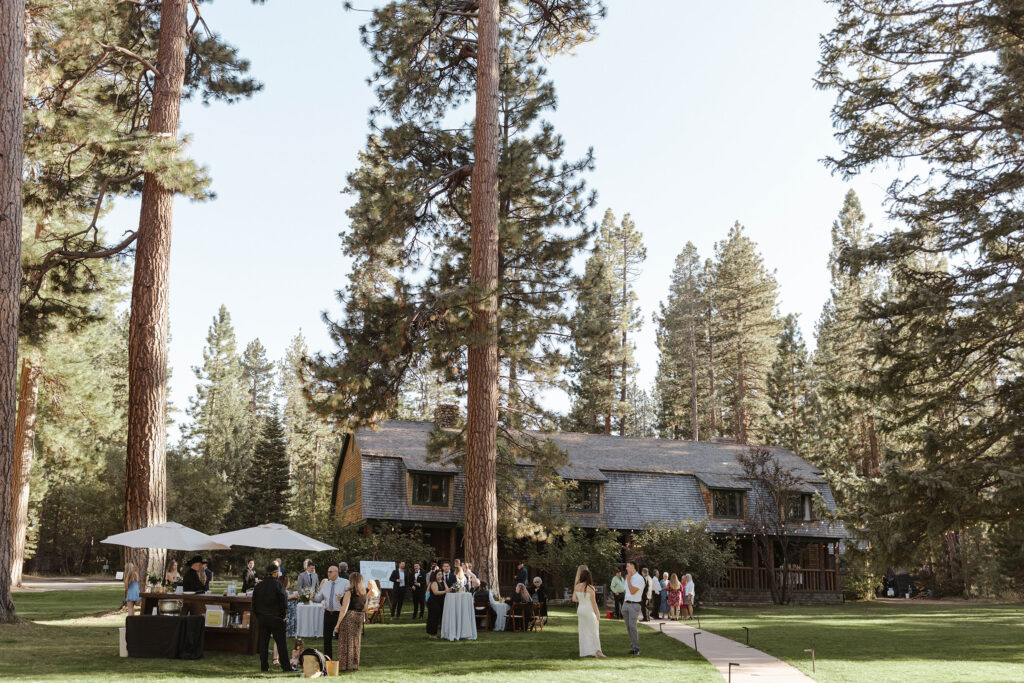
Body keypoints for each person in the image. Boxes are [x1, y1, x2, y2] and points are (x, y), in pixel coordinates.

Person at [252, 563, 297, 673]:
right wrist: (283, 616)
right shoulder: (278, 585)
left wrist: (259, 616)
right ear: (275, 573)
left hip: (262, 618)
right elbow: (284, 602)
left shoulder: (258, 586)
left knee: (263, 644)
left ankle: (264, 667)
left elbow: (254, 604)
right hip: (276, 618)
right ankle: (286, 667)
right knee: (281, 644)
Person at [333, 571, 368, 672]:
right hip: (358, 618)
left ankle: (345, 665)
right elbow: (365, 608)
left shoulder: (349, 592)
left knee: (345, 641)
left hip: (349, 617)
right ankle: (354, 665)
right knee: (355, 641)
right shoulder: (364, 593)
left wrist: (337, 624)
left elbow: (344, 609)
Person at [314, 565, 349, 660]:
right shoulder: (326, 584)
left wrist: (341, 598)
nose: (328, 573)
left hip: (339, 614)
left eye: (331, 572)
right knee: (327, 638)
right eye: (328, 572)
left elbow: (350, 598)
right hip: (328, 613)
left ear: (336, 572)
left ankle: (343, 660)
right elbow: (319, 598)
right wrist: (313, 597)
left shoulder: (345, 582)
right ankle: (327, 660)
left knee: (342, 639)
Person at [572, 567, 605, 658]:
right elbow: (594, 603)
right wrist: (598, 613)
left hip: (580, 610)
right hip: (588, 610)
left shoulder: (577, 586)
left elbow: (574, 599)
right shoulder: (591, 588)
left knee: (583, 631)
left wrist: (582, 600)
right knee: (594, 630)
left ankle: (584, 652)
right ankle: (597, 651)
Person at [274, 574, 299, 666]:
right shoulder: (280, 592)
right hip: (282, 617)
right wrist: (293, 596)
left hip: (288, 618)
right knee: (279, 638)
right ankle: (275, 658)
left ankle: (280, 657)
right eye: (288, 582)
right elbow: (284, 598)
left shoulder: (287, 592)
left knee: (282, 638)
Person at [622, 560, 644, 656]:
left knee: (632, 626)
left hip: (634, 605)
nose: (626, 568)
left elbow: (632, 591)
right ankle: (633, 647)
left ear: (633, 567)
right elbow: (626, 591)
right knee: (628, 627)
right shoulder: (628, 577)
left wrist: (628, 580)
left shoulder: (639, 578)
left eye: (628, 566)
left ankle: (636, 648)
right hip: (626, 604)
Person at [426, 569, 448, 639]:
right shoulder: (433, 583)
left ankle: (434, 633)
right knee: (433, 618)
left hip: (440, 602)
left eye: (441, 574)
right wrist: (445, 591)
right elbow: (436, 592)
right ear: (435, 575)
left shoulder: (443, 582)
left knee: (437, 618)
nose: (440, 576)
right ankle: (432, 634)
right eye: (438, 574)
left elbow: (447, 589)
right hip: (433, 602)